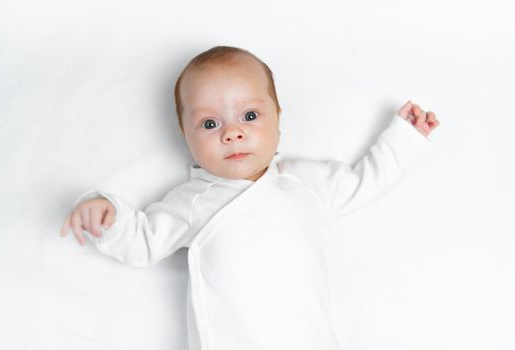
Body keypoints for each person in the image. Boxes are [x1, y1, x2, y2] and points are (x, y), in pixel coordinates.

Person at [60, 45, 440, 350]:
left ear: (278, 116)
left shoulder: (305, 181)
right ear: (185, 134)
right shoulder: (192, 201)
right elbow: (143, 241)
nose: (232, 133)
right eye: (210, 124)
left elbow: (364, 183)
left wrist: (404, 139)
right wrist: (107, 215)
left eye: (250, 116)